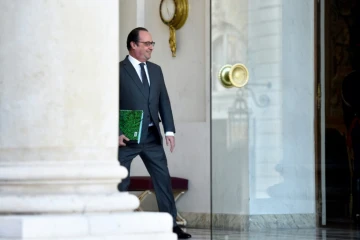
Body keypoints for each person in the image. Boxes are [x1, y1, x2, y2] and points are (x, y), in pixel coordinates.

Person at [118, 27, 191, 239]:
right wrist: (116, 132)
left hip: (151, 136)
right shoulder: (118, 70)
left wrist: (169, 130)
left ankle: (171, 226)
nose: (151, 47)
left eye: (152, 44)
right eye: (147, 43)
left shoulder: (156, 70)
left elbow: (163, 101)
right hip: (127, 138)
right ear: (133, 45)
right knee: (120, 181)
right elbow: (108, 104)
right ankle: (118, 223)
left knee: (162, 180)